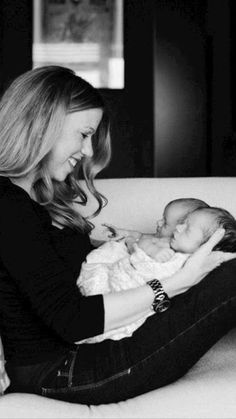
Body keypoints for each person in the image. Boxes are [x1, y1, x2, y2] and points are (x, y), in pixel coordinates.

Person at [0, 66, 235, 405]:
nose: (88, 152)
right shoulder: (8, 206)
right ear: (43, 124)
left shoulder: (33, 198)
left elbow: (50, 269)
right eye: (83, 134)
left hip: (81, 355)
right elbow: (73, 321)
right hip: (60, 371)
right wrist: (175, 283)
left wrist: (140, 246)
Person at [77, 205, 236, 343]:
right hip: (108, 301)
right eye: (182, 223)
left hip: (124, 301)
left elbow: (146, 268)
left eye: (187, 229)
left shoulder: (185, 262)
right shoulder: (170, 244)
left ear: (207, 247)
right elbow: (142, 244)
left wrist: (138, 250)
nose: (178, 228)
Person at [102, 197, 209, 247]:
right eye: (162, 218)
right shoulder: (159, 238)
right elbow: (141, 236)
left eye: (165, 223)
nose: (158, 222)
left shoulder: (174, 247)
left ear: (181, 231)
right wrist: (126, 233)